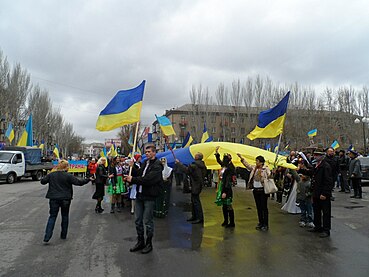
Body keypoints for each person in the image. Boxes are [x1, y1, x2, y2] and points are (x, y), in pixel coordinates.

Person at [125, 145, 163, 254]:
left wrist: (133, 179)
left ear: (154, 153)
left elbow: (148, 180)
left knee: (148, 221)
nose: (147, 154)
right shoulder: (145, 162)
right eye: (146, 152)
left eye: (149, 152)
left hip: (149, 196)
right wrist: (133, 168)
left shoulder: (157, 165)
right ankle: (140, 241)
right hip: (140, 195)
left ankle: (149, 243)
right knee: (138, 220)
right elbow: (139, 173)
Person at [41, 159, 91, 243]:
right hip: (65, 198)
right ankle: (63, 234)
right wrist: (88, 179)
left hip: (53, 198)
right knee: (65, 216)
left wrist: (46, 175)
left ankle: (47, 236)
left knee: (52, 216)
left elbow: (43, 181)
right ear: (66, 167)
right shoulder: (68, 176)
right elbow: (79, 182)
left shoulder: (52, 175)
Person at [299, 149, 332, 238]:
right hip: (316, 193)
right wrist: (301, 170)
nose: (315, 156)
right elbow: (311, 172)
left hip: (323, 194)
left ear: (322, 156)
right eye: (315, 155)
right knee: (316, 211)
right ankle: (318, 227)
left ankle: (326, 230)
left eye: (317, 155)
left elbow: (328, 181)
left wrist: (324, 193)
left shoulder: (325, 166)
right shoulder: (317, 165)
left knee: (325, 212)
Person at [238, 153, 271, 231]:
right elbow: (247, 165)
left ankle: (265, 224)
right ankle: (260, 222)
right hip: (256, 190)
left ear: (261, 162)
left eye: (257, 161)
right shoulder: (254, 168)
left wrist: (265, 175)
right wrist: (242, 158)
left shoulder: (265, 168)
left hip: (263, 190)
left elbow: (269, 175)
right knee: (259, 207)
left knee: (264, 208)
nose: (256, 162)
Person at [176, 152, 207, 224]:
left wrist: (179, 163)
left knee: (196, 202)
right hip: (199, 185)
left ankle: (199, 218)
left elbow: (186, 170)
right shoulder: (202, 165)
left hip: (195, 185)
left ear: (197, 157)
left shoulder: (194, 165)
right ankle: (195, 216)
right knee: (194, 201)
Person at [215, 146, 236, 228]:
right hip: (223, 186)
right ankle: (226, 220)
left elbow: (228, 181)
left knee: (228, 205)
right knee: (224, 206)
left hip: (227, 189)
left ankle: (232, 222)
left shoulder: (230, 168)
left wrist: (225, 192)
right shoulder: (225, 166)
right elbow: (219, 161)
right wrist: (217, 153)